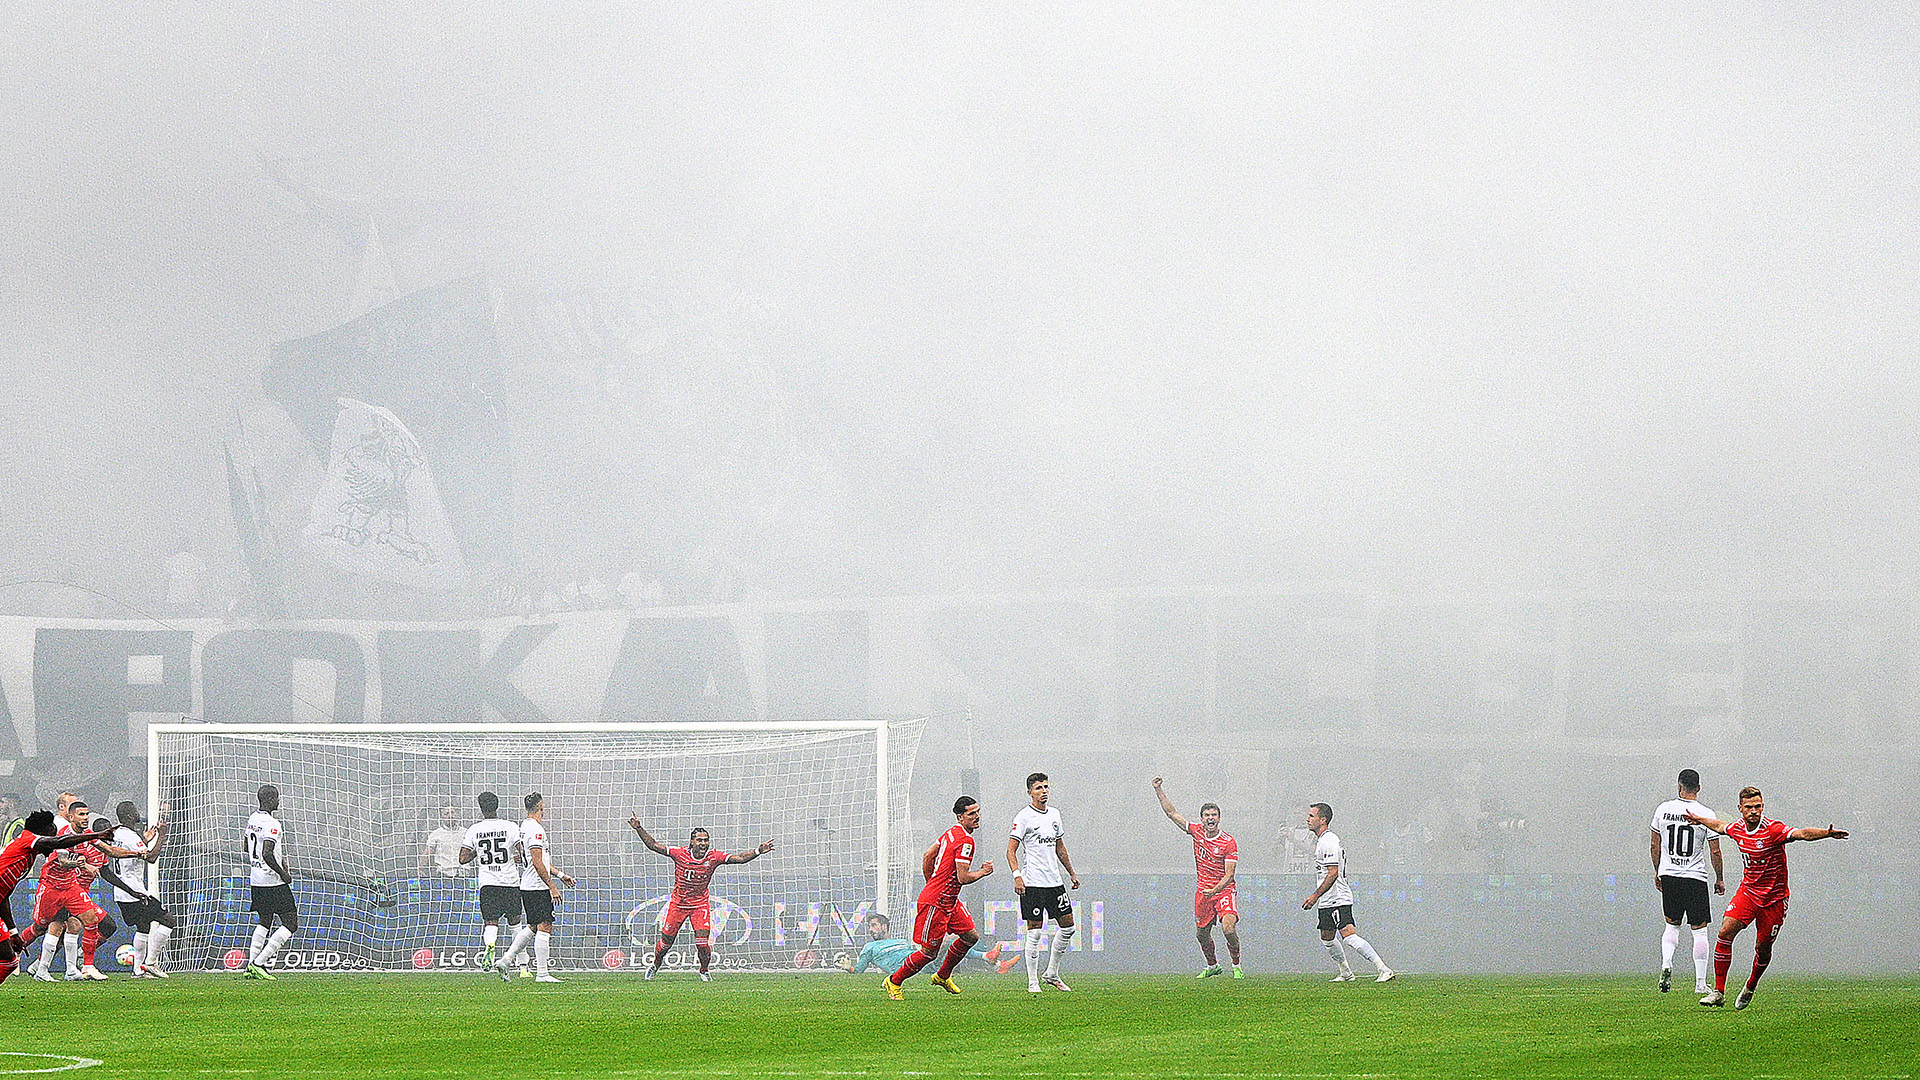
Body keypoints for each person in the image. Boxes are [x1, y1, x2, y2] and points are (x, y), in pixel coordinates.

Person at [1687, 787, 1847, 1009]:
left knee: (1762, 948)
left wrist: (1826, 833)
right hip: (1748, 892)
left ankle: (1751, 985)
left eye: (1758, 806)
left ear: (1763, 807)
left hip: (1774, 899)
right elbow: (1720, 827)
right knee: (1725, 932)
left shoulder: (1774, 830)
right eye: (1749, 807)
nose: (1754, 811)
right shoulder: (1738, 828)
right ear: (1740, 809)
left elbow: (1801, 834)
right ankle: (1719, 991)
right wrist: (1700, 819)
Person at [628, 817, 774, 981]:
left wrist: (757, 851)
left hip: (700, 905)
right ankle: (655, 964)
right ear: (691, 842)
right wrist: (638, 828)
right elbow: (653, 846)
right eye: (699, 840)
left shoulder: (713, 857)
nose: (703, 843)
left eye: (706, 840)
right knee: (666, 942)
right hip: (678, 904)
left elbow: (739, 858)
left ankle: (704, 971)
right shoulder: (679, 854)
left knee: (703, 943)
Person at [884, 795, 995, 999]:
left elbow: (928, 855)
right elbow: (963, 877)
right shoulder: (966, 841)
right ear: (960, 817)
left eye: (978, 811)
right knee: (928, 952)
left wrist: (932, 882)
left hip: (948, 899)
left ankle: (943, 976)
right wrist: (983, 872)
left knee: (971, 936)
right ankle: (894, 981)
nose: (977, 816)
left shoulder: (951, 833)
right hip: (937, 901)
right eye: (972, 814)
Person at [0, 811, 111, 985]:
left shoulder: (28, 854)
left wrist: (13, 932)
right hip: (51, 888)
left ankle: (71, 968)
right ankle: (43, 968)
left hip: (69, 888)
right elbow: (58, 842)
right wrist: (95, 835)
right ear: (45, 829)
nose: (55, 830)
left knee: (9, 961)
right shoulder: (28, 839)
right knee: (42, 927)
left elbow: (3, 896)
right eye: (52, 827)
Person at [1152, 777, 1241, 978]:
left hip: (1223, 890)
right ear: (1201, 819)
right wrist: (1158, 789)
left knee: (1228, 928)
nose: (1210, 818)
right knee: (1201, 934)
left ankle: (1236, 965)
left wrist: (1215, 891)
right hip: (1203, 892)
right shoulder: (1196, 832)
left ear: (1219, 818)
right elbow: (1171, 813)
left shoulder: (1228, 842)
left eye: (1214, 815)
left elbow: (1230, 875)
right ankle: (1213, 965)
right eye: (1207, 815)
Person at [1302, 802, 1396, 983]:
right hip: (1328, 900)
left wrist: (1314, 896)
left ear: (1323, 820)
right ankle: (1346, 973)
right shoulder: (1322, 841)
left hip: (1337, 897)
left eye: (1312, 816)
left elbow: (1333, 873)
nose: (1308, 819)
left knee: (1348, 934)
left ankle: (1383, 969)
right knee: (1327, 937)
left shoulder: (1328, 841)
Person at [1651, 769, 1725, 995]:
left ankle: (1666, 963)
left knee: (1671, 925)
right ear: (1699, 788)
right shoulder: (1705, 813)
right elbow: (1715, 851)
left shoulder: (1663, 809)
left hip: (1670, 875)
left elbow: (1654, 845)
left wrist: (1658, 872)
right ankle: (1700, 983)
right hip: (1695, 877)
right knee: (1699, 931)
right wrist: (1719, 878)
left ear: (1679, 785)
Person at [1007, 772, 1081, 993]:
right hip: (1033, 883)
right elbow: (1011, 850)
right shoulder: (1023, 817)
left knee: (1068, 927)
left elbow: (1060, 847)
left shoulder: (1055, 815)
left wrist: (1071, 873)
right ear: (1030, 792)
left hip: (1054, 882)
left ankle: (1051, 973)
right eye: (1039, 788)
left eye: (1046, 787)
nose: (1044, 791)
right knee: (1035, 932)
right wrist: (1017, 875)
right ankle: (1032, 982)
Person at [29, 800, 120, 981]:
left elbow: (108, 855)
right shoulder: (66, 836)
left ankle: (73, 969)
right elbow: (63, 861)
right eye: (81, 814)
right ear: (71, 817)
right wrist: (82, 865)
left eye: (87, 814)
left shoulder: (90, 841)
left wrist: (139, 854)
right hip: (55, 887)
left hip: (73, 890)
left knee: (80, 924)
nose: (85, 818)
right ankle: (38, 967)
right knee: (47, 927)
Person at [494, 792, 574, 983]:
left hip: (528, 884)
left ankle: (506, 960)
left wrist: (561, 875)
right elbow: (537, 863)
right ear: (541, 807)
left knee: (532, 926)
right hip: (537, 886)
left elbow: (538, 861)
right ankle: (543, 973)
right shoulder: (536, 830)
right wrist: (552, 887)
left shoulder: (524, 827)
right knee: (545, 925)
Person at [98, 800, 174, 978]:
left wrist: (145, 839)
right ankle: (151, 963)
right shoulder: (131, 837)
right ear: (131, 816)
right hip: (136, 892)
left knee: (143, 927)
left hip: (123, 893)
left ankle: (138, 970)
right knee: (168, 920)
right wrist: (162, 835)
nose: (138, 812)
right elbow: (152, 857)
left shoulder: (118, 834)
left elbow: (135, 850)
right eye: (135, 810)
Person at [459, 791, 524, 970]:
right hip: (510, 882)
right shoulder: (511, 826)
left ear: (481, 808)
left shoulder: (475, 829)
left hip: (488, 883)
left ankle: (490, 945)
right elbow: (522, 850)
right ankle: (521, 964)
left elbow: (463, 858)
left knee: (490, 922)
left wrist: (477, 852)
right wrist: (517, 856)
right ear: (497, 806)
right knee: (515, 922)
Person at [244, 784, 296, 980]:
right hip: (272, 881)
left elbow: (246, 846)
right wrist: (283, 874)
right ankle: (259, 963)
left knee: (265, 920)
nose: (278, 801)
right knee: (291, 923)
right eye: (276, 798)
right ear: (270, 800)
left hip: (256, 879)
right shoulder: (272, 823)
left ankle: (250, 966)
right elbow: (267, 852)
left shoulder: (253, 819)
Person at [841, 912, 1003, 976]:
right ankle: (988, 959)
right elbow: (858, 971)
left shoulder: (901, 941)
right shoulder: (869, 947)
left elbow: (916, 951)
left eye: (874, 925)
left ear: (884, 926)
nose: (871, 930)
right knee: (951, 939)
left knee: (956, 938)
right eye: (870, 926)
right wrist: (849, 967)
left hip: (922, 962)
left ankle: (997, 965)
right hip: (912, 970)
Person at [423, 806, 468, 878]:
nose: (450, 816)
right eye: (446, 813)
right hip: (444, 874)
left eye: (452, 812)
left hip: (463, 874)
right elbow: (427, 853)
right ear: (442, 817)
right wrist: (420, 869)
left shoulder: (466, 832)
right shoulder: (436, 834)